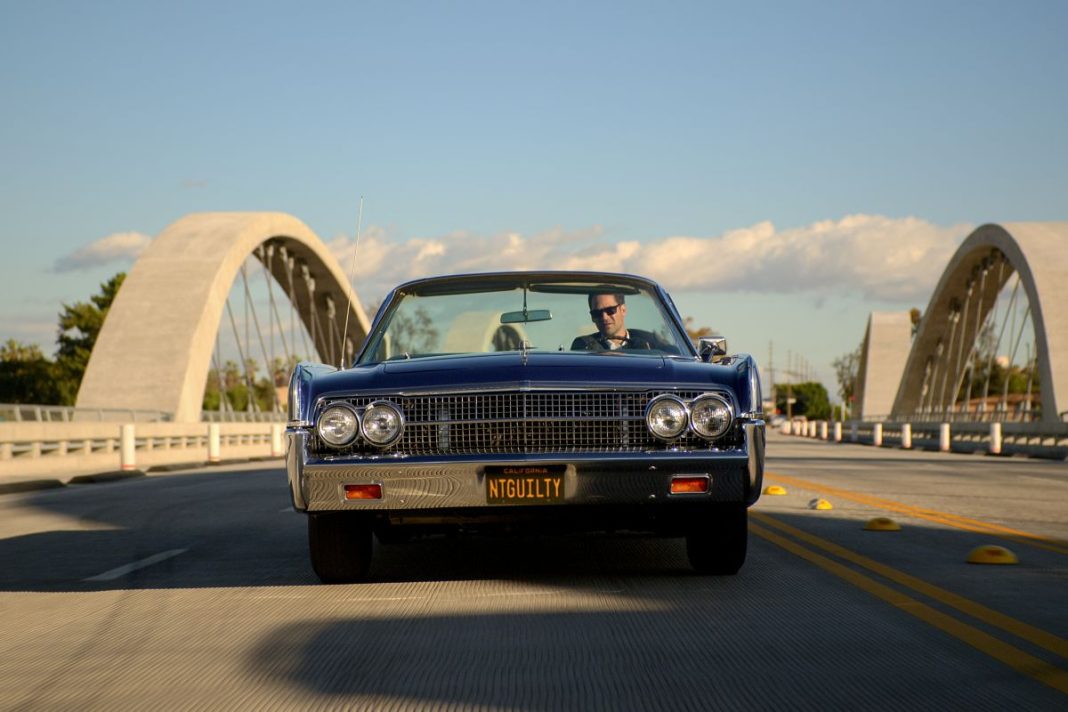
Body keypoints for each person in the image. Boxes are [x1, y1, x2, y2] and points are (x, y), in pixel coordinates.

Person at [570, 292, 661, 351]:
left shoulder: (650, 345)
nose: (604, 317)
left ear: (623, 310)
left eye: (610, 310)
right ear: (592, 317)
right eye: (597, 313)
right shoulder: (583, 347)